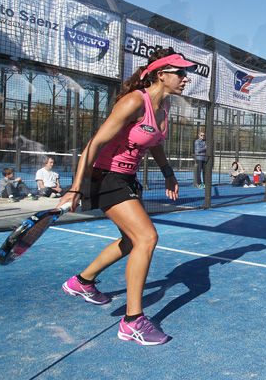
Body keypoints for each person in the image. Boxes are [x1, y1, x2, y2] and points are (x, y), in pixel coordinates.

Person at [58, 48, 194, 346]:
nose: (186, 78)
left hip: (126, 178)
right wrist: (75, 187)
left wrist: (168, 172)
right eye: (181, 73)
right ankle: (133, 321)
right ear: (162, 75)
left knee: (132, 240)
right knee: (147, 238)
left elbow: (154, 141)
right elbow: (94, 144)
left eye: (187, 73)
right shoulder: (135, 101)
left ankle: (81, 282)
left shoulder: (163, 108)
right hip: (105, 177)